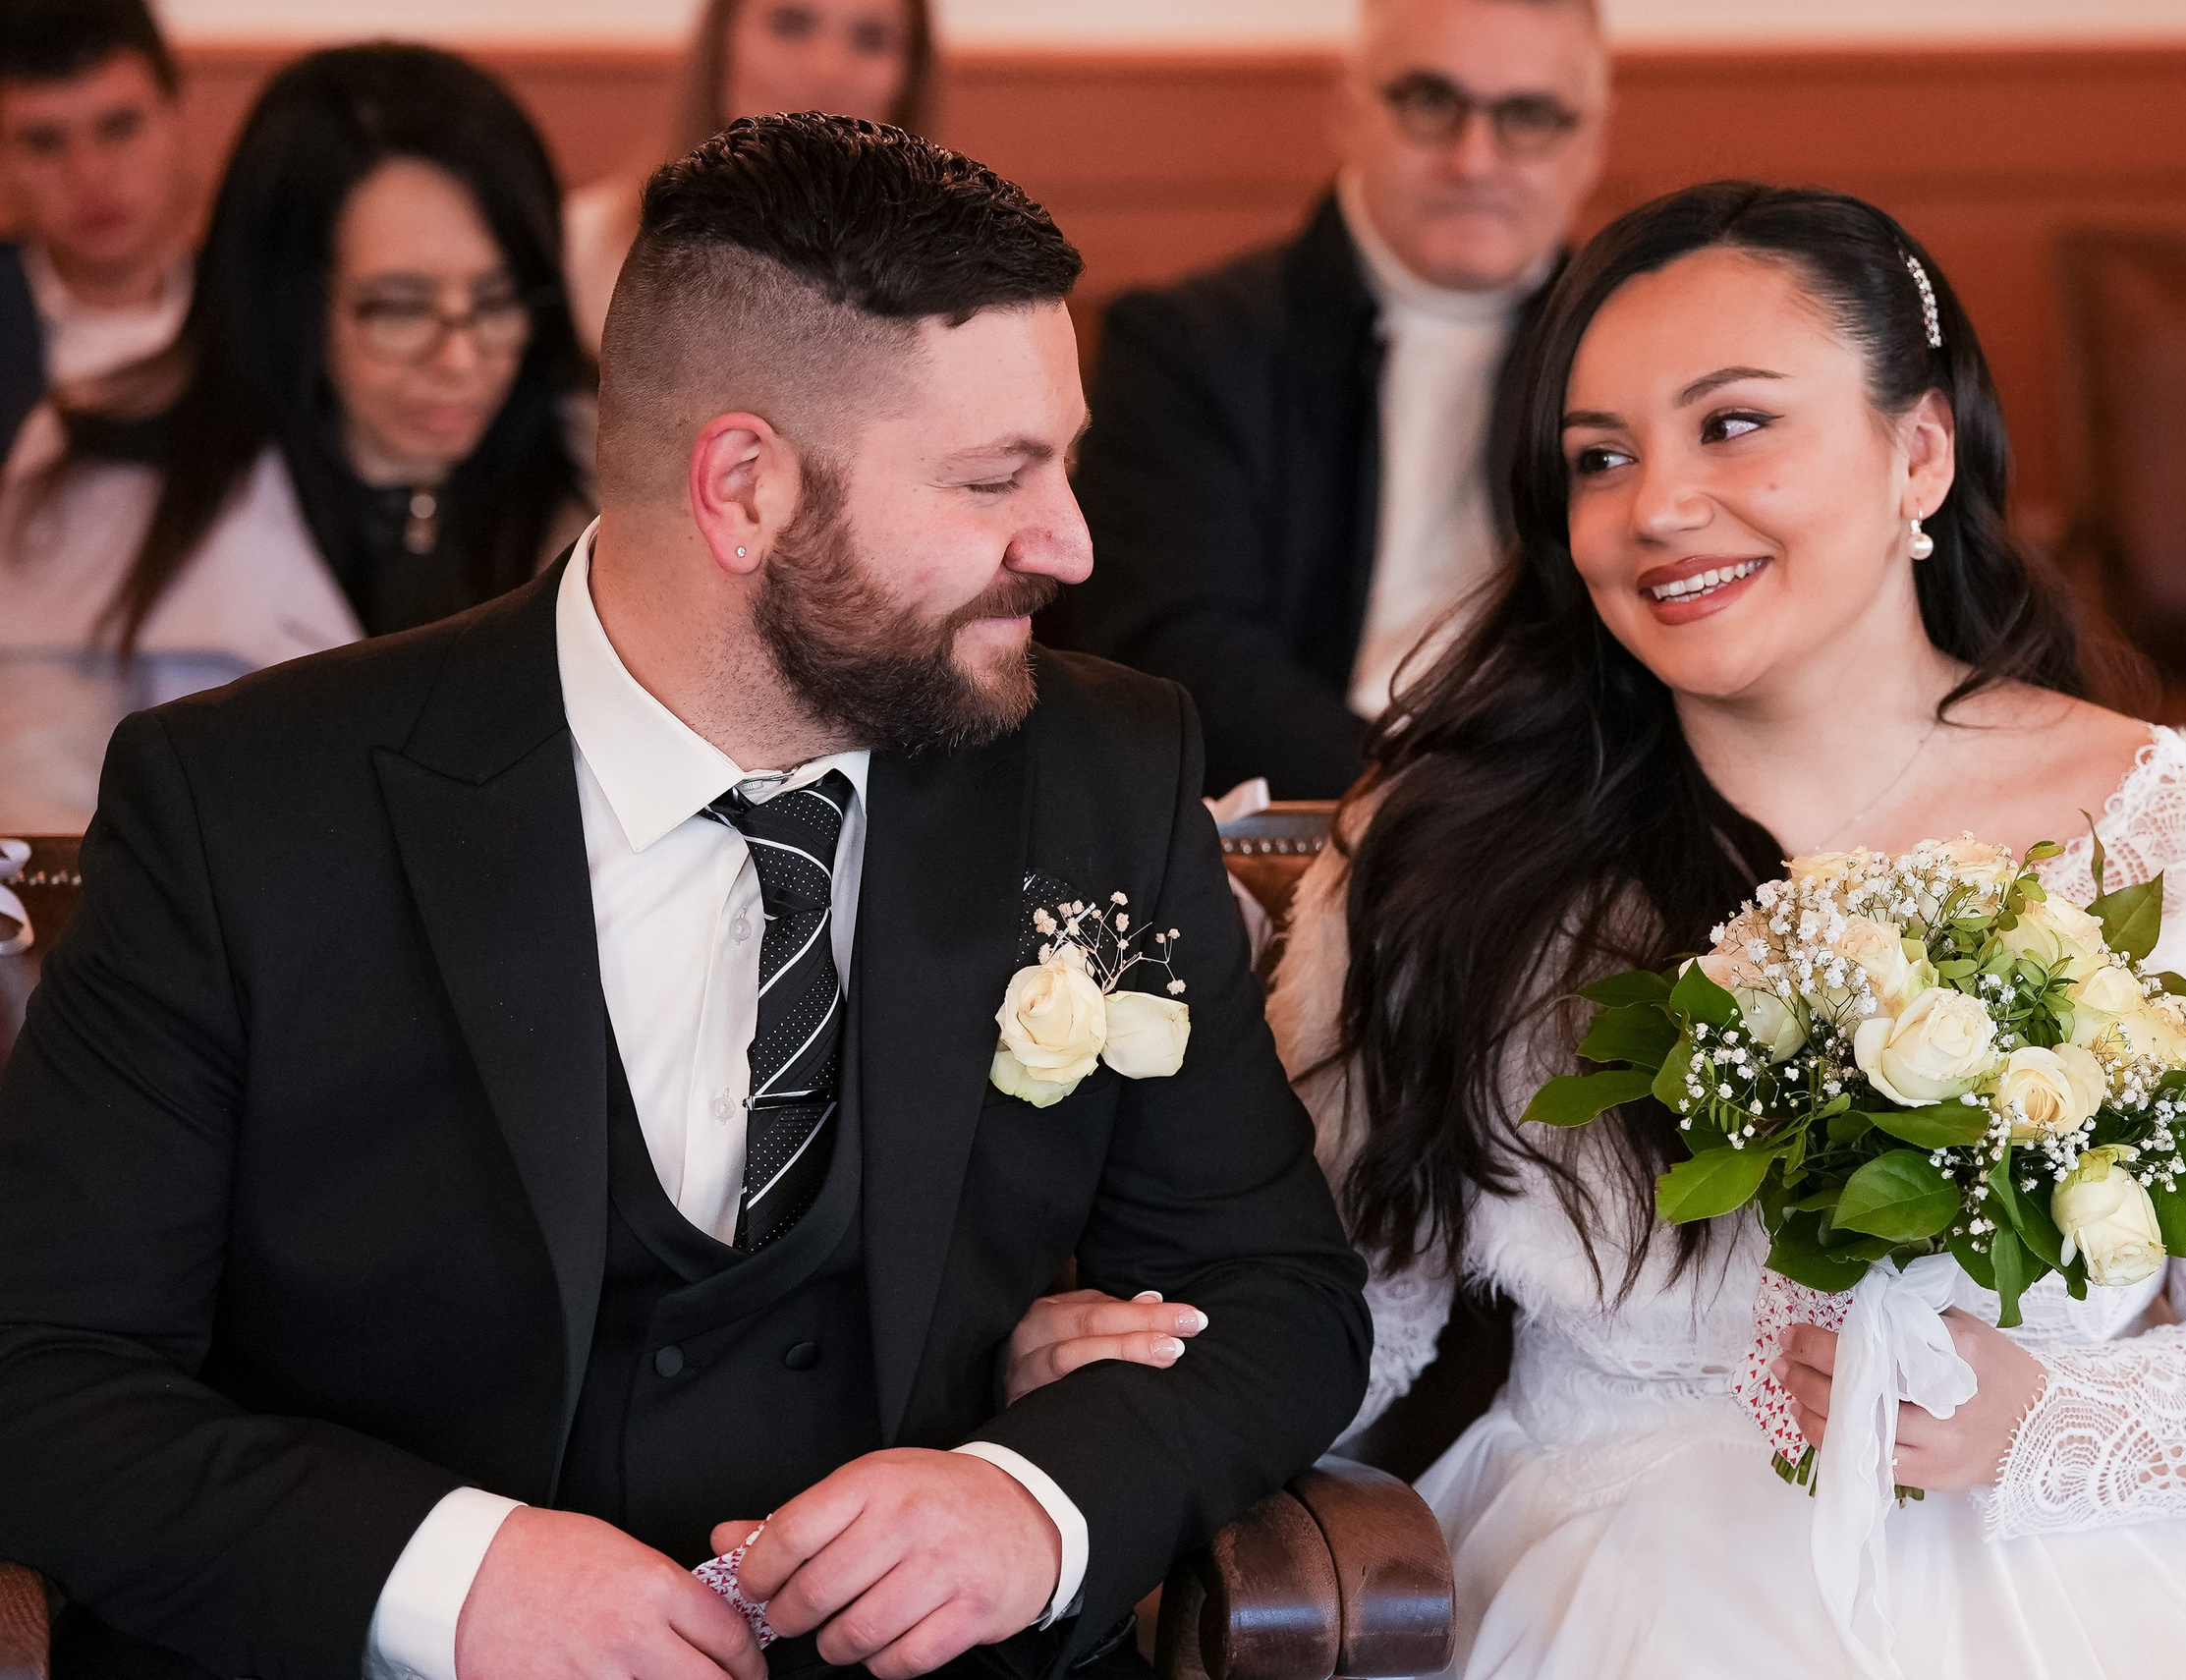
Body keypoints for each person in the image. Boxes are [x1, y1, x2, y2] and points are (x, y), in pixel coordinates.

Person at [0, 111, 1367, 1680]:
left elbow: (1278, 1295)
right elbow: (41, 1363)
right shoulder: (250, 806)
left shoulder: (1104, 769)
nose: (1068, 540)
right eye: (997, 477)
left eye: (1060, 458)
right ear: (746, 488)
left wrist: (1031, 1501)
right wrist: (447, 1581)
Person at [1237, 182, 2186, 1677]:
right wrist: (1141, 1362)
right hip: (1620, 1574)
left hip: (2079, 1575)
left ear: (1917, 453)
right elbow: (1351, 1323)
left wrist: (2038, 1418)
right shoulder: (1452, 850)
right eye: (1600, 457)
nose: (1656, 507)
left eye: (1733, 424)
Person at [0, 43, 589, 834]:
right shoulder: (100, 474)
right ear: (288, 300)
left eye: (498, 301)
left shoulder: (611, 470)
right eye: (398, 308)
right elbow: (43, 838)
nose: (460, 359)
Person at [1058, 0, 1610, 800]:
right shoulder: (1186, 345)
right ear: (1348, 110)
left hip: (1579, 804)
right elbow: (1175, 654)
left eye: (1528, 116)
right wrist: (1428, 807)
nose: (1475, 160)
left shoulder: (1642, 360)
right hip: (1306, 811)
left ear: (1592, 141)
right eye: (1430, 101)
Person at [565, 0, 934, 353]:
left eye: (871, 39)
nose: (828, 69)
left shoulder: (951, 291)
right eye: (791, 25)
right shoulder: (579, 249)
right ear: (721, 42)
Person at [0, 0, 192, 455]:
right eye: (44, 143)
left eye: (119, 127)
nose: (88, 175)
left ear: (177, 119)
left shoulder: (265, 307)